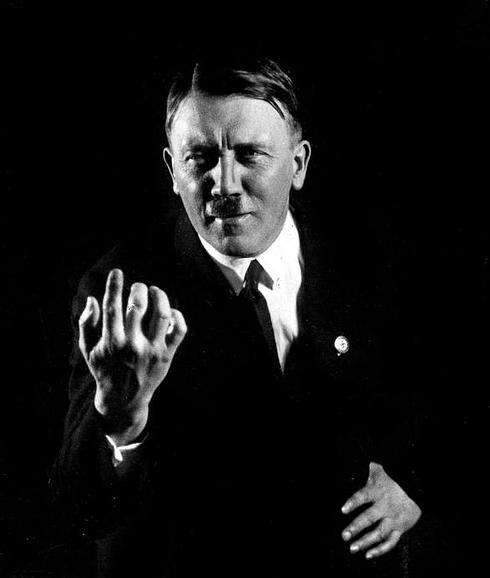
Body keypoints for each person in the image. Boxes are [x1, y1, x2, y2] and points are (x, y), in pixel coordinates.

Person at [53, 56, 422, 577]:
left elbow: (445, 396)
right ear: (172, 170)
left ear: (298, 164)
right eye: (200, 158)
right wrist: (121, 419)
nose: (224, 185)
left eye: (250, 155)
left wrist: (417, 485)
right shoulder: (120, 289)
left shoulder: (367, 259)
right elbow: (82, 510)